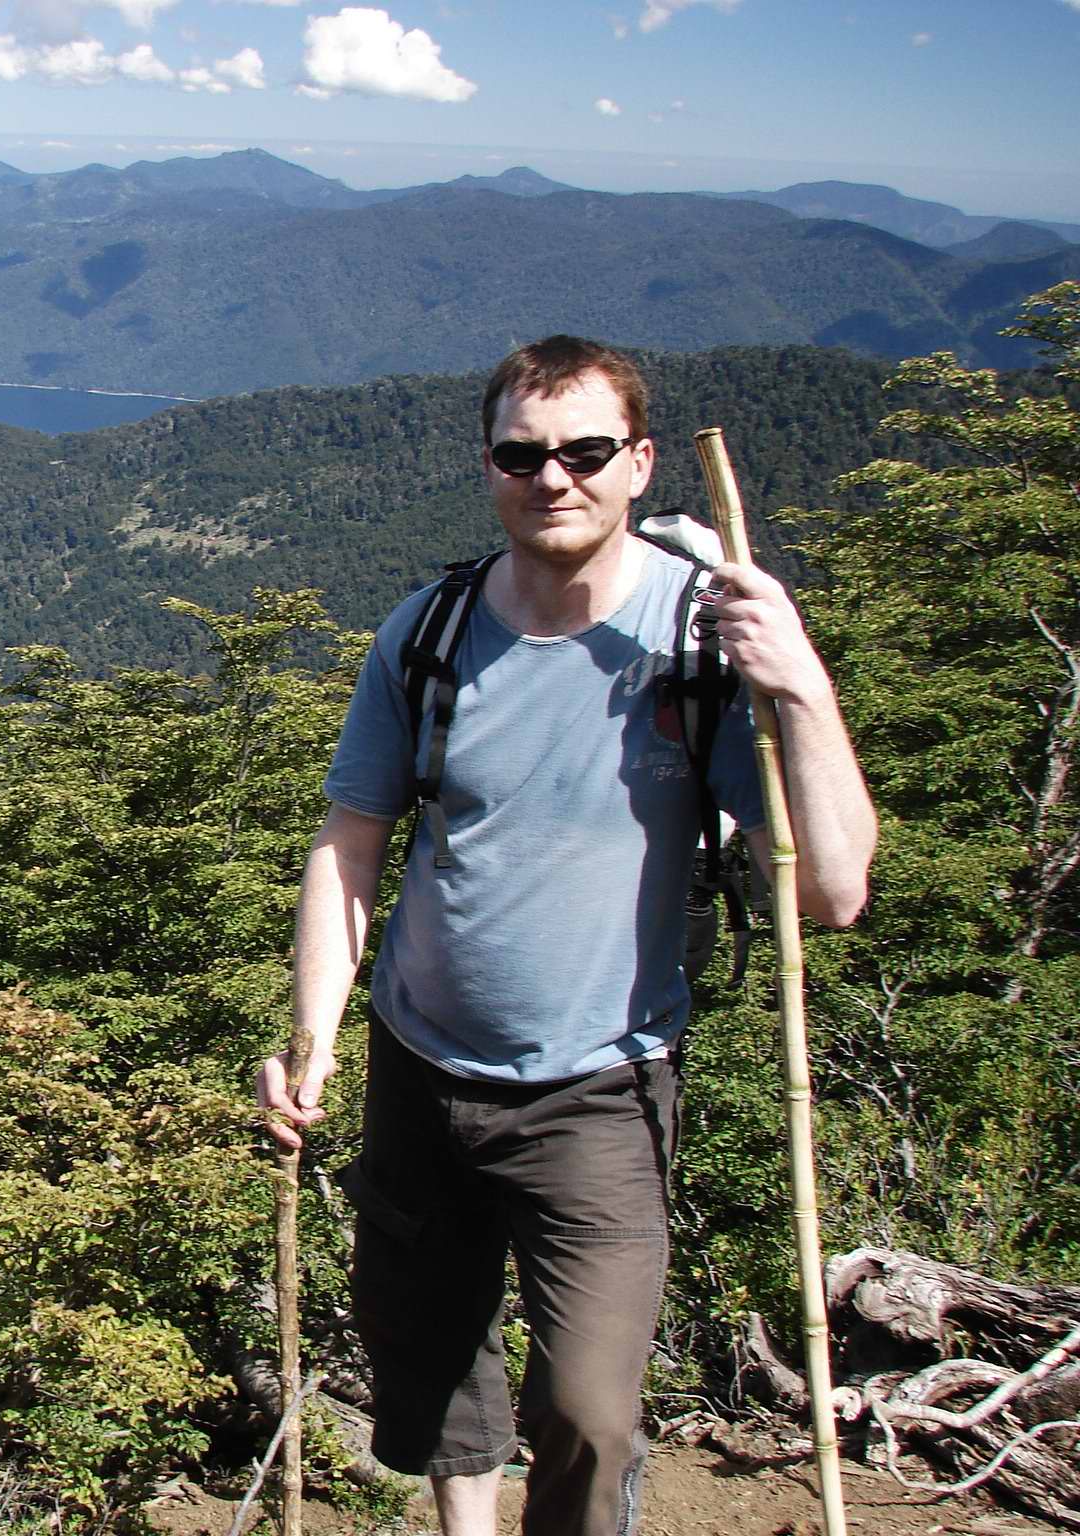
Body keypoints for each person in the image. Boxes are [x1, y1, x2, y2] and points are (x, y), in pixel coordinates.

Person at [256, 335, 876, 1536]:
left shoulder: (701, 644)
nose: (553, 477)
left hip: (601, 1083)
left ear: (639, 463)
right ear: (486, 466)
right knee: (430, 1357)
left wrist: (800, 684)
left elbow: (831, 891)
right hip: (417, 1063)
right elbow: (351, 843)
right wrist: (313, 1034)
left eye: (586, 451)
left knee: (589, 1411)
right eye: (521, 453)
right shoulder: (427, 635)